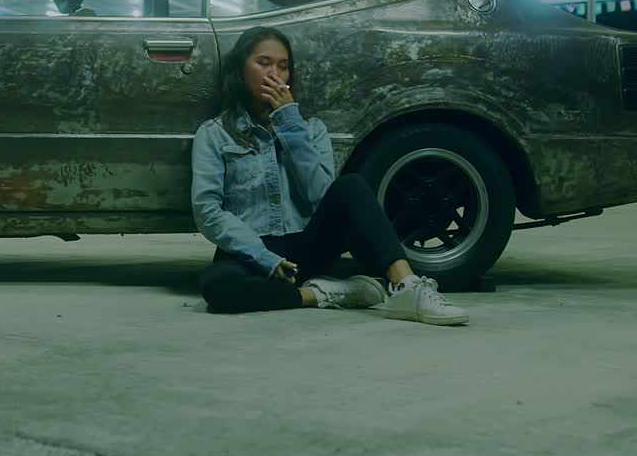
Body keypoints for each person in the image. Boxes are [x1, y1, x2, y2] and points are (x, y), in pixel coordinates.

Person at [191, 26, 468, 325]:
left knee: (351, 187)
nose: (275, 74)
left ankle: (406, 286)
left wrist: (289, 124)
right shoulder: (214, 133)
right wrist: (263, 257)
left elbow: (321, 195)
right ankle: (323, 293)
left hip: (306, 246)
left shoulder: (311, 130)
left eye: (283, 66)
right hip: (249, 248)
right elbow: (207, 210)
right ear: (240, 70)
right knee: (217, 287)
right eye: (263, 63)